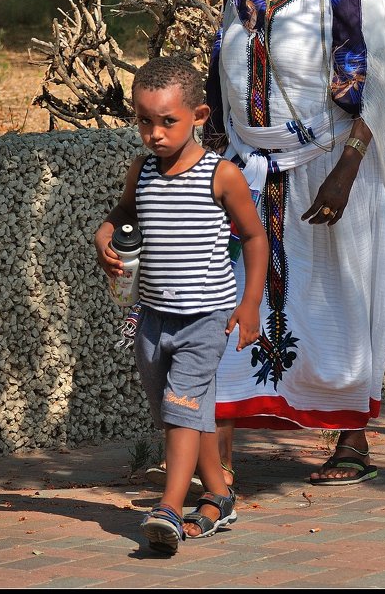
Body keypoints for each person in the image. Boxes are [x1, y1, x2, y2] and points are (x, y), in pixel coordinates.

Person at [203, 0, 385, 486]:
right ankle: (214, 449)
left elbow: (375, 78)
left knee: (335, 298)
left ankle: (350, 440)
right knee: (235, 299)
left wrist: (347, 169)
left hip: (328, 166)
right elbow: (226, 67)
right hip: (255, 168)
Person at [94, 56, 269, 553]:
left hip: (204, 319)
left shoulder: (222, 175)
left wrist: (250, 303)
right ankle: (219, 493)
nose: (154, 133)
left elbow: (255, 239)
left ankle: (169, 508)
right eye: (144, 121)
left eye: (168, 121)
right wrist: (104, 236)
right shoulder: (142, 171)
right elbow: (123, 214)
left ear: (199, 115)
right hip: (150, 317)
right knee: (182, 414)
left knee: (181, 410)